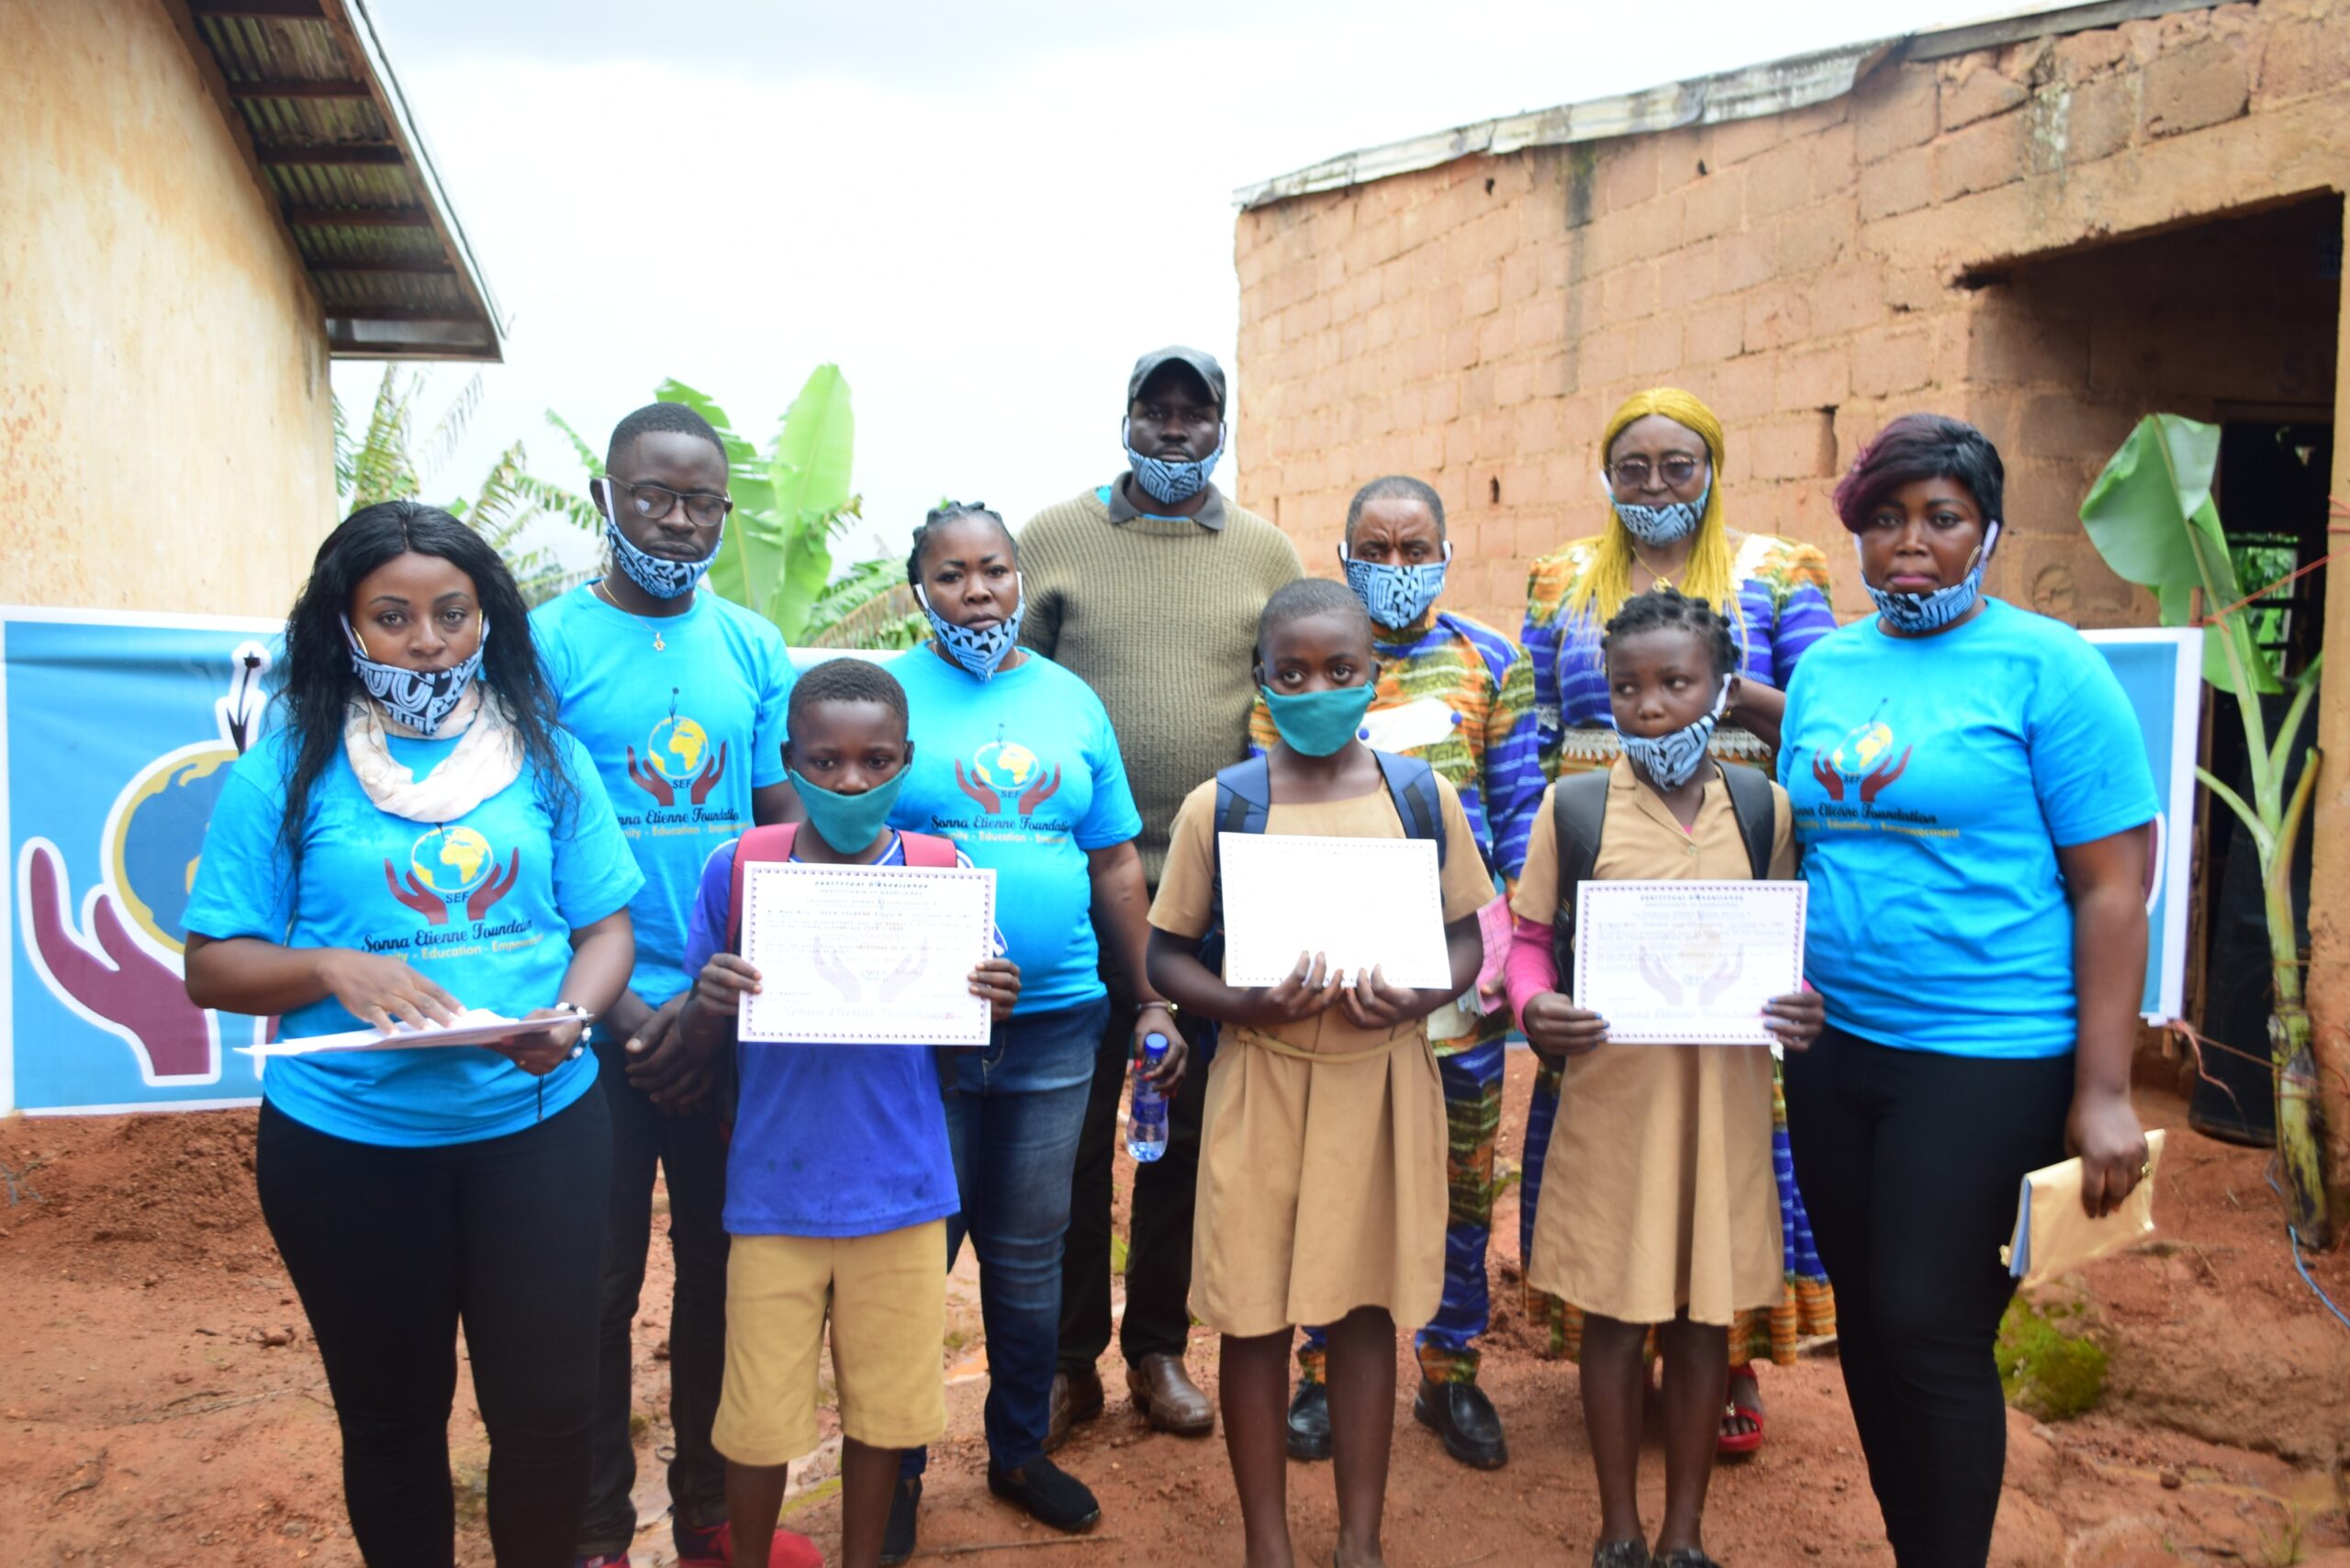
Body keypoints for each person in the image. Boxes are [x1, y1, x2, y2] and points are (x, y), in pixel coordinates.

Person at [183, 501, 643, 1568]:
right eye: (391, 616)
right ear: (344, 626)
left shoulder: (548, 756)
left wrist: (573, 1015)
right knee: (391, 1421)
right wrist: (326, 967)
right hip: (347, 1150)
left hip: (538, 1130)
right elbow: (211, 966)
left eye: (452, 613)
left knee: (550, 1415)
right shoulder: (286, 766)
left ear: (486, 621)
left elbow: (606, 929)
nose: (426, 640)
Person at [1778, 415, 2154, 1566]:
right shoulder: (1825, 668)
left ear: (1986, 532)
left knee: (1929, 1324)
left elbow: (2112, 888)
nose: (1910, 542)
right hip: (1833, 1053)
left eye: (1940, 518)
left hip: (1988, 1056)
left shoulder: (2051, 668)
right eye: (1884, 519)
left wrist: (2104, 1089)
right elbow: (1808, 844)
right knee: (1865, 1319)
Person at [1146, 577, 1493, 1568]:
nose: (1316, 689)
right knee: (1253, 1317)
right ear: (1261, 680)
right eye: (1290, 672)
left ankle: (1359, 1540)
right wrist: (1243, 1004)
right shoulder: (1225, 804)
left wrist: (1421, 994)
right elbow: (1165, 956)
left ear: (1372, 674)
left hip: (1381, 1085)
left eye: (1340, 669)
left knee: (1365, 1312)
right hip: (1263, 1081)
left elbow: (1466, 939)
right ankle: (1269, 1543)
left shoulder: (1418, 797)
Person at [1518, 386, 1840, 1453]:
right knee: (1614, 1104)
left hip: (1734, 851)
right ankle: (1615, 1330)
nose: (1655, 485)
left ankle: (1726, 1348)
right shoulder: (1561, 578)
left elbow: (1826, 720)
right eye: (1633, 467)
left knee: (1728, 1114)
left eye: (1678, 465)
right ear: (1606, 477)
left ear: (1712, 469)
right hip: (1602, 860)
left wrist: (1717, 698)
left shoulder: (1779, 572)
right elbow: (1540, 729)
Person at [533, 402, 811, 1568]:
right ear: (606, 499)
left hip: (729, 1012)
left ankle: (709, 1511)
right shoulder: (543, 645)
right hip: (591, 1021)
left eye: (701, 502)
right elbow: (527, 839)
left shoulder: (752, 647)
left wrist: (710, 1013)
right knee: (594, 1288)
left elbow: (783, 828)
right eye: (654, 496)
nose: (679, 521)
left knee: (724, 1276)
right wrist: (638, 1014)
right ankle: (597, 1526)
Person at [670, 658, 1024, 1568]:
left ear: (907, 761)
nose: (851, 782)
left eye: (876, 761)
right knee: (757, 1421)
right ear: (790, 760)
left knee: (887, 1414)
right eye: (825, 761)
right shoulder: (739, 869)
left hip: (902, 1190)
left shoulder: (943, 874)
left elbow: (969, 1034)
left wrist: (994, 1000)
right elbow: (695, 1043)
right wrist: (707, 1002)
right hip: (772, 1195)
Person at [883, 503, 1182, 1556]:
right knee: (914, 1256)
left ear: (1020, 577)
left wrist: (1150, 996)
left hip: (1058, 1028)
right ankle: (895, 1471)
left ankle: (1016, 1449)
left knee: (1027, 1253)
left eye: (995, 570)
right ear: (919, 588)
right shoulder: (888, 694)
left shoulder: (1068, 699)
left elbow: (1113, 860)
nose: (977, 592)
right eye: (951, 574)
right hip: (922, 1035)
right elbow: (846, 845)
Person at [1504, 587, 1824, 1568]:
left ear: (1720, 690)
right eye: (1627, 687)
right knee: (1613, 1313)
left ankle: (1685, 1533)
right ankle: (1620, 1529)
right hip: (1614, 1103)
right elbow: (1527, 940)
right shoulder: (1577, 806)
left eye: (1675, 684)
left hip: (1724, 1106)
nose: (1648, 707)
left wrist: (1802, 1001)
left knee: (1702, 1321)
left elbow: (1783, 944)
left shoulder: (1763, 808)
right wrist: (1534, 1004)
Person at [1019, 346, 1302, 1442]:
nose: (1175, 430)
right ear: (1127, 418)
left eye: (1196, 412)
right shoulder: (1054, 538)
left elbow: (1285, 696)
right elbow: (1017, 685)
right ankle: (1067, 1361)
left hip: (1208, 891)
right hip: (1077, 882)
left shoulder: (1263, 550)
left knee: (1181, 1131)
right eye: (1156, 409)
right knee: (1074, 1131)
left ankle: (1157, 1349)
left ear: (1221, 426)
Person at [1253, 476, 1541, 1471]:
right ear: (1343, 558)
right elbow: (1269, 813)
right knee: (1334, 1180)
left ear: (1446, 553)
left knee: (1462, 1181)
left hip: (1458, 982)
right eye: (1374, 550)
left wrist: (1504, 956)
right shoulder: (1302, 666)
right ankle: (1321, 1369)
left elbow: (1518, 816)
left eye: (1414, 548)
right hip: (1331, 979)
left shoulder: (1490, 661)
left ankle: (1450, 1371)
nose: (1395, 567)